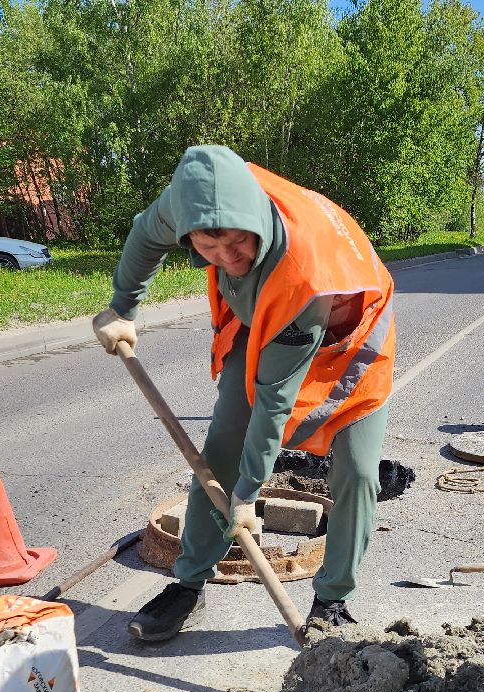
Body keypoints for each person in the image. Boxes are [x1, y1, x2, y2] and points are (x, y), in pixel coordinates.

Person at [94, 146, 395, 641]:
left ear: (255, 217)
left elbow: (275, 405)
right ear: (190, 230)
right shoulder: (192, 200)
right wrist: (123, 307)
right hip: (263, 321)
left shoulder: (302, 273)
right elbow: (145, 236)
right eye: (210, 249)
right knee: (222, 449)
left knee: (358, 472)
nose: (229, 259)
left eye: (239, 243)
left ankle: (333, 600)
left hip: (346, 335)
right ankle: (188, 585)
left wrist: (248, 497)